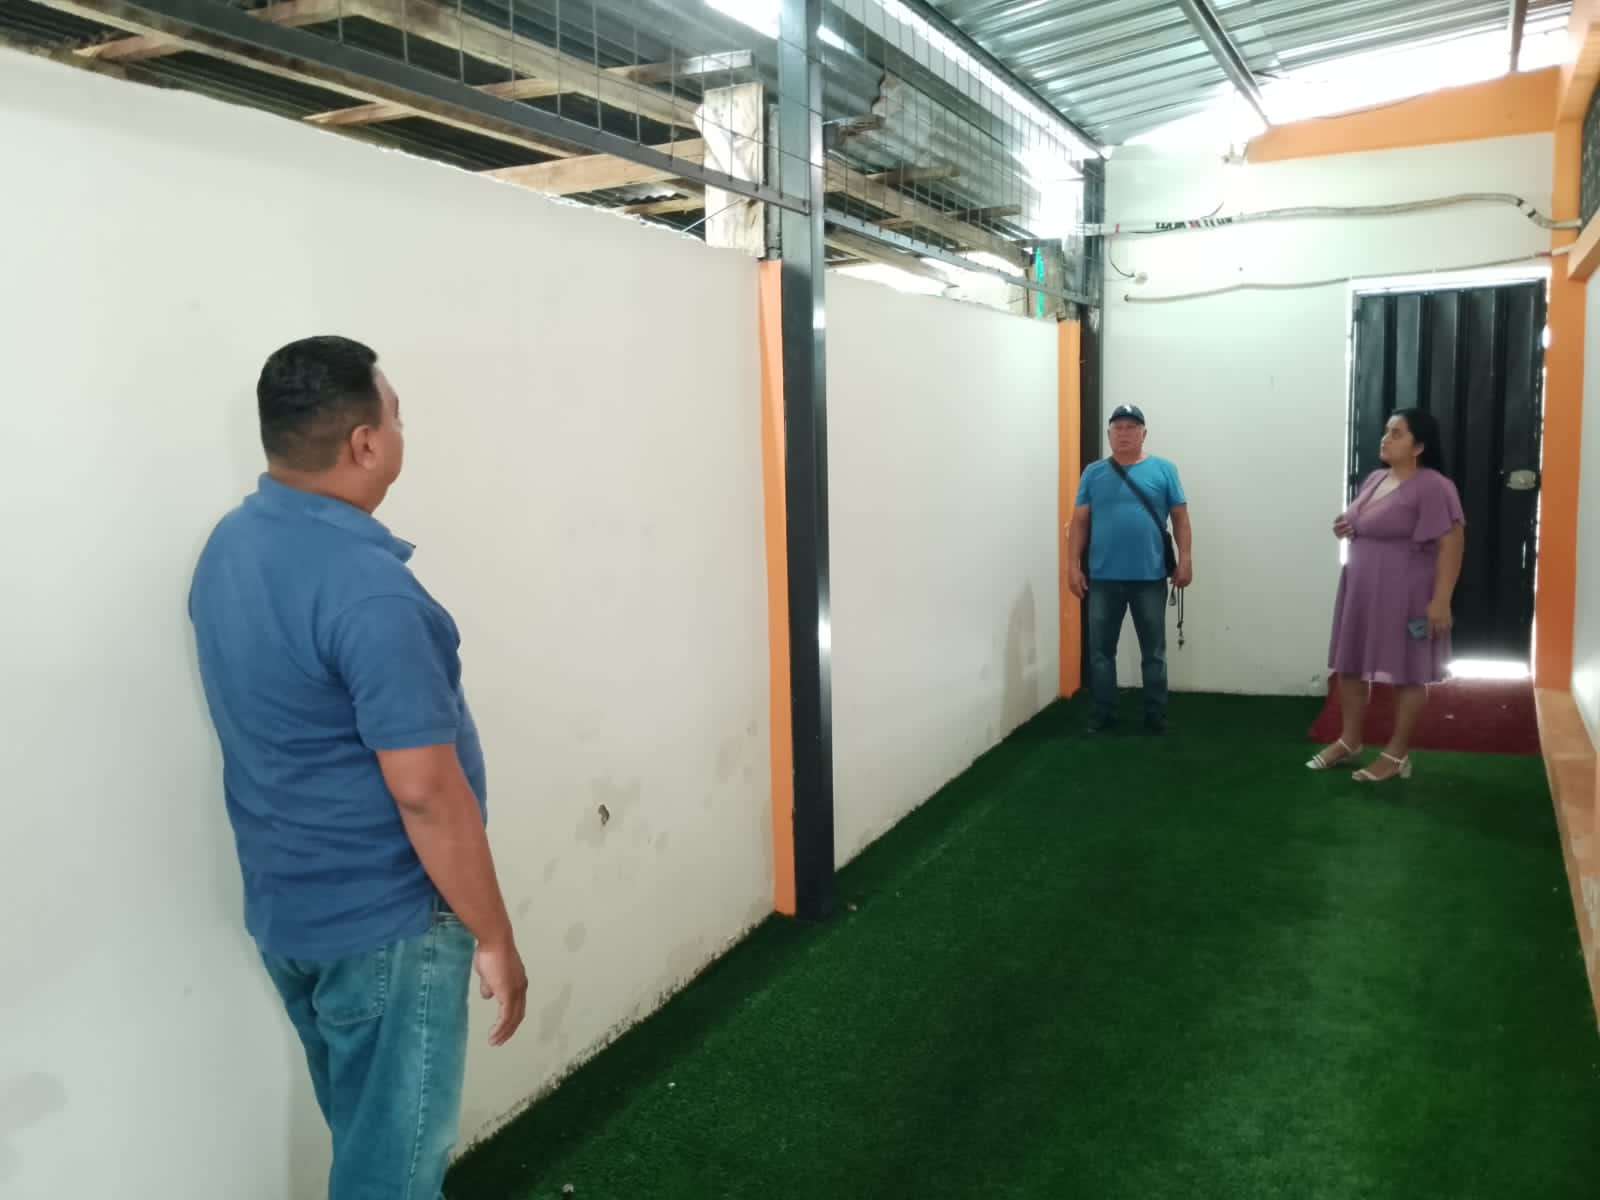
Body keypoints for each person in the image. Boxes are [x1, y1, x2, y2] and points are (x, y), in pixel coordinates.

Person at [187, 336, 527, 1197]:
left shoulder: (229, 547)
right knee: (393, 1175)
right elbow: (425, 794)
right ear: (364, 442)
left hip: (291, 914)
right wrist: (493, 935)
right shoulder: (369, 594)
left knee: (367, 1145)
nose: (402, 431)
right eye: (397, 416)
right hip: (386, 928)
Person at [1307, 407, 1465, 782]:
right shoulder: (1376, 478)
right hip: (1362, 590)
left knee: (1408, 670)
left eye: (1397, 433)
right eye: (1386, 431)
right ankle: (1349, 741)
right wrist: (1345, 527)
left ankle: (1396, 754)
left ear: (1419, 446)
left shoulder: (1434, 486)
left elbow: (1452, 543)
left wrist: (1441, 600)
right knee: (1350, 664)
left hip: (1407, 593)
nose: (1385, 439)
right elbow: (1366, 523)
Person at [1066, 404, 1193, 734]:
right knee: (1100, 653)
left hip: (1150, 578)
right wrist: (1072, 566)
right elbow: (1079, 522)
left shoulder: (1164, 470)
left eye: (1131, 427)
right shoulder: (1093, 473)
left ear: (1143, 434)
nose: (1124, 433)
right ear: (1109, 434)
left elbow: (1180, 519)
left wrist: (1185, 560)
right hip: (1102, 578)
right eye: (1118, 427)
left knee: (1154, 653)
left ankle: (1155, 715)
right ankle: (1103, 714)